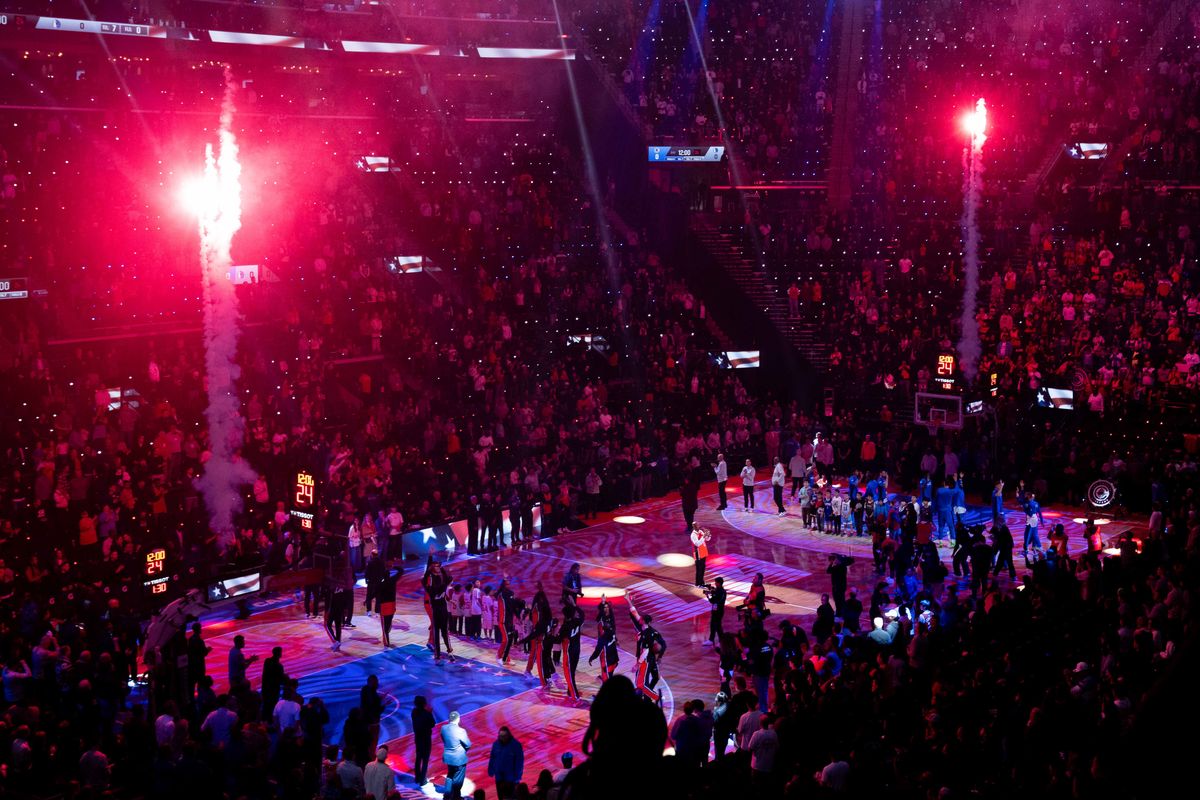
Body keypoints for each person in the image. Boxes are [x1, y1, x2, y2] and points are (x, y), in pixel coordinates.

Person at [628, 597, 667, 705]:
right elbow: (634, 613)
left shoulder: (648, 634)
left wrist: (637, 664)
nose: (639, 619)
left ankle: (654, 697)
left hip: (646, 660)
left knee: (641, 683)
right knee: (640, 682)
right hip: (646, 659)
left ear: (644, 621)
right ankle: (646, 697)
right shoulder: (645, 629)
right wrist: (629, 600)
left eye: (641, 619)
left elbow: (646, 651)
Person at [487, 726, 525, 799]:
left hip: (510, 779)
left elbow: (519, 762)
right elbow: (492, 757)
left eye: (504, 736)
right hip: (499, 777)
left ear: (508, 735)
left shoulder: (516, 745)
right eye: (501, 736)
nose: (502, 738)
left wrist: (517, 778)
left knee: (511, 797)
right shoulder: (496, 744)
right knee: (501, 797)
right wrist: (491, 770)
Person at [441, 710, 471, 800]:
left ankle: (447, 795)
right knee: (458, 780)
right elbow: (468, 744)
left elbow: (444, 739)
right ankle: (456, 797)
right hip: (459, 759)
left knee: (450, 775)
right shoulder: (461, 731)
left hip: (448, 758)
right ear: (458, 719)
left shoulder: (443, 728)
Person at [560, 603, 584, 700]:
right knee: (572, 672)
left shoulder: (565, 627)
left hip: (569, 652)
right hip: (577, 649)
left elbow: (558, 640)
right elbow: (582, 614)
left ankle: (575, 696)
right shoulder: (577, 621)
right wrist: (575, 605)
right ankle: (570, 691)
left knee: (570, 673)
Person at [411, 696, 435, 786]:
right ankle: (423, 780)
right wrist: (430, 713)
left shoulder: (414, 712)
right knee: (425, 760)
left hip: (418, 738)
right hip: (426, 739)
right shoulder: (426, 714)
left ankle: (417, 777)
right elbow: (432, 724)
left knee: (418, 758)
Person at [261, 646, 287, 718]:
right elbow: (280, 678)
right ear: (279, 654)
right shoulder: (279, 666)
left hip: (265, 687)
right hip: (274, 689)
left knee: (266, 705)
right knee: (272, 706)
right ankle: (270, 720)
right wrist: (285, 677)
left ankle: (264, 720)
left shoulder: (267, 661)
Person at [704, 576, 726, 644]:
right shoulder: (717, 590)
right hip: (714, 610)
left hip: (719, 611)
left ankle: (721, 640)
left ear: (719, 583)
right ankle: (711, 639)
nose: (715, 584)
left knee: (718, 626)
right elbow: (713, 600)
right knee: (713, 625)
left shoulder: (722, 592)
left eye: (716, 582)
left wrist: (710, 595)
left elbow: (715, 601)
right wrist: (710, 595)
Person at [690, 522, 711, 587]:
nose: (697, 526)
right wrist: (703, 536)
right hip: (698, 554)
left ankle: (702, 582)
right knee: (699, 569)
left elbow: (707, 539)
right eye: (695, 525)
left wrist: (708, 534)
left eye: (698, 525)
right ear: (693, 527)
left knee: (703, 568)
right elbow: (697, 544)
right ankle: (698, 583)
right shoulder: (693, 535)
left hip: (703, 552)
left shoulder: (701, 532)